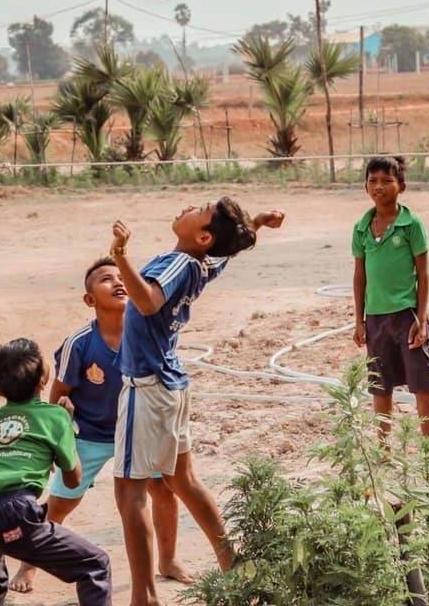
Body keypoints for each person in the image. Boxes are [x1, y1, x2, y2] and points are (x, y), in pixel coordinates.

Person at [110, 197, 285, 606]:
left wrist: (120, 256)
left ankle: (144, 596)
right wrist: (254, 223)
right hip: (171, 384)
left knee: (129, 493)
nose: (187, 206)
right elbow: (226, 252)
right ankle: (232, 565)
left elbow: (148, 301)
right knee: (181, 480)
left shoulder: (179, 263)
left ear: (203, 235)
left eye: (199, 210)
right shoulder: (204, 261)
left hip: (147, 388)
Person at [10, 257, 190, 594]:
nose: (119, 283)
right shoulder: (79, 343)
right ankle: (28, 564)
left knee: (163, 491)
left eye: (123, 277)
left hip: (139, 431)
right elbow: (58, 394)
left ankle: (168, 559)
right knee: (61, 504)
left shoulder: (150, 334)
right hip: (91, 434)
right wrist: (58, 435)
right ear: (90, 299)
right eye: (107, 279)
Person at [0, 337, 111, 606]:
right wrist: (67, 428)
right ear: (43, 378)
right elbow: (73, 479)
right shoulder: (56, 416)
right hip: (15, 512)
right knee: (95, 564)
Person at [352, 154, 429, 438]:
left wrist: (422, 316)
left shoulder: (411, 224)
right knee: (380, 385)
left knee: (422, 383)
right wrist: (359, 320)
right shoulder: (361, 227)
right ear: (366, 187)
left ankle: (428, 448)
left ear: (401, 185)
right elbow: (360, 276)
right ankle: (383, 449)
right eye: (373, 181)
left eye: (387, 181)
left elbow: (424, 274)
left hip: (408, 316)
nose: (379, 186)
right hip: (376, 318)